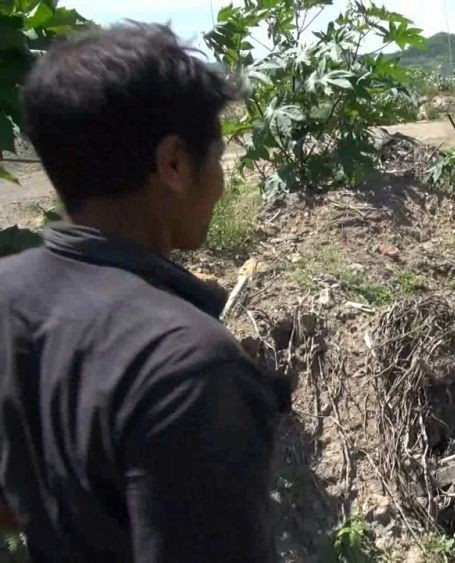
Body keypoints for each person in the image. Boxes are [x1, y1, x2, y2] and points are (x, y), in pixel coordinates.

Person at [0, 23, 288, 562]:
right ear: (174, 163)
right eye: (217, 156)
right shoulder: (186, 364)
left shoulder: (8, 293)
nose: (220, 180)